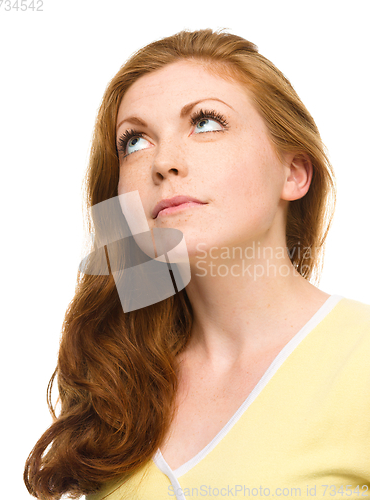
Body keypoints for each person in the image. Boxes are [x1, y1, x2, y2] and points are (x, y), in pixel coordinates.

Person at [24, 28, 370, 500]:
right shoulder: (119, 381)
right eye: (134, 141)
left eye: (206, 123)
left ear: (293, 172)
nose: (163, 161)